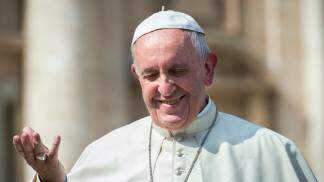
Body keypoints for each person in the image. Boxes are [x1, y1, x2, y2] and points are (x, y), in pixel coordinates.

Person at [13, 10, 317, 182]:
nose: (165, 87)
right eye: (151, 75)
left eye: (177, 70)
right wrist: (52, 178)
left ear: (208, 69)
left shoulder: (272, 153)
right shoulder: (103, 153)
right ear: (137, 77)